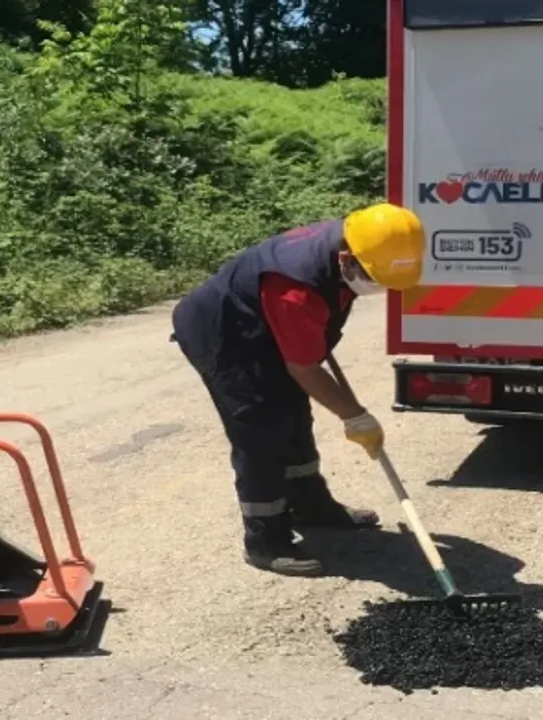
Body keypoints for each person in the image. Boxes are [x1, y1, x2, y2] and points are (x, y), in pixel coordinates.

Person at [170, 203, 425, 577]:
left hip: (269, 329)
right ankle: (265, 540)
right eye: (374, 278)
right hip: (227, 336)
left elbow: (306, 352)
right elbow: (304, 367)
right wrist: (355, 416)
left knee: (293, 415)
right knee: (261, 430)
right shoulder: (295, 287)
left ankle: (311, 507)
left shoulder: (364, 241)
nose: (377, 288)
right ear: (346, 258)